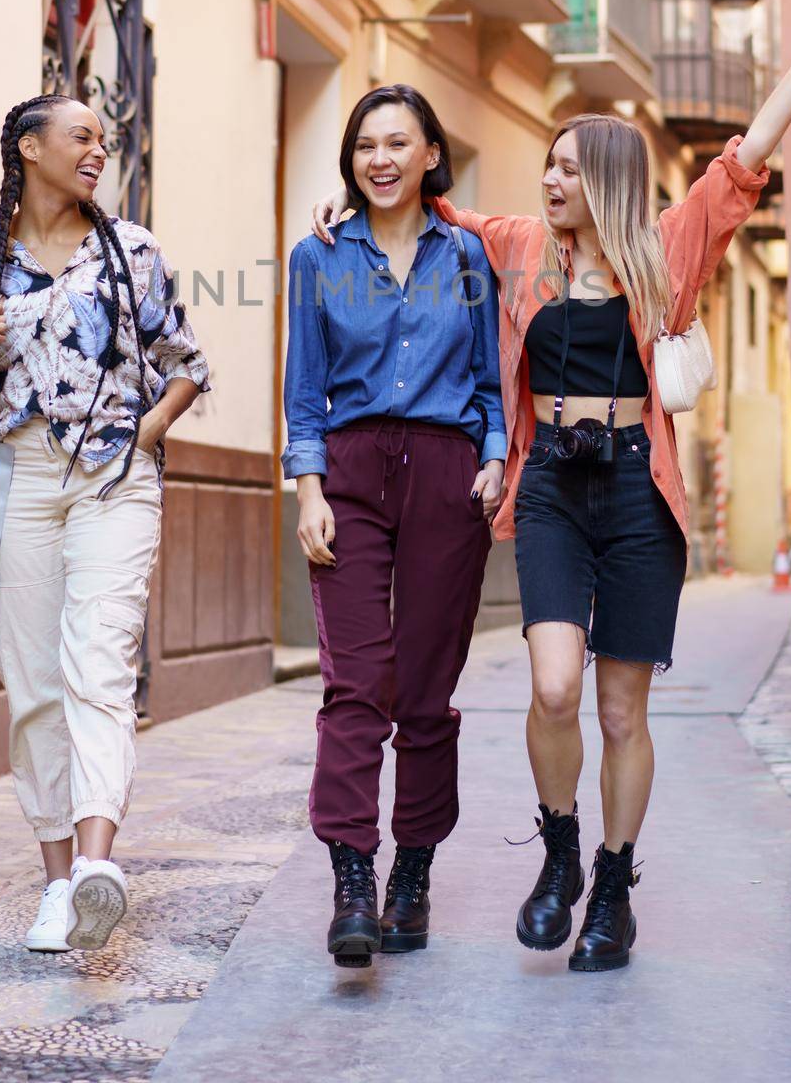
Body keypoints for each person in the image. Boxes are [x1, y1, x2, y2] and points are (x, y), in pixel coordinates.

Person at [313, 0, 791, 971]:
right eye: (545, 166)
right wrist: (351, 200)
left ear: (609, 177)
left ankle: (612, 886)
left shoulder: (664, 247)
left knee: (622, 707)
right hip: (548, 491)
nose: (548, 182)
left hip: (632, 491)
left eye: (567, 169)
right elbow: (425, 209)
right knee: (550, 686)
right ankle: (560, 848)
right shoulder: (517, 246)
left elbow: (745, 160)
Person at [0, 94, 210, 954]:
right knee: (32, 683)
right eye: (81, 137)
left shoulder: (131, 252)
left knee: (101, 657)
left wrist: (143, 438)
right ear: (29, 148)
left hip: (113, 480)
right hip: (19, 479)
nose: (98, 151)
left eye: (104, 139)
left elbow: (186, 365)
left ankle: (95, 866)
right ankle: (57, 884)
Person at [284, 84, 508, 967]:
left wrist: (492, 454)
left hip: (448, 476)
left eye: (397, 144)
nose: (379, 159)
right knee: (354, 682)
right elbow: (305, 390)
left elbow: (491, 382)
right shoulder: (318, 255)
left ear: (428, 157)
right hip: (349, 471)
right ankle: (351, 876)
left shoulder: (471, 257)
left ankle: (411, 871)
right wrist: (308, 492)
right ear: (350, 159)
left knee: (422, 689)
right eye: (364, 145)